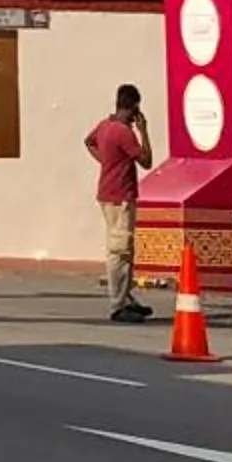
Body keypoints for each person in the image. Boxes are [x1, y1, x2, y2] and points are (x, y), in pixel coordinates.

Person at [85, 84, 154, 323]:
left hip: (107, 194)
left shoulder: (104, 126)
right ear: (134, 107)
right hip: (120, 197)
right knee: (120, 250)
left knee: (122, 247)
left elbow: (88, 141)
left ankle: (126, 296)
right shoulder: (124, 133)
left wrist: (105, 162)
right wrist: (144, 131)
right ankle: (118, 303)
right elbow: (146, 160)